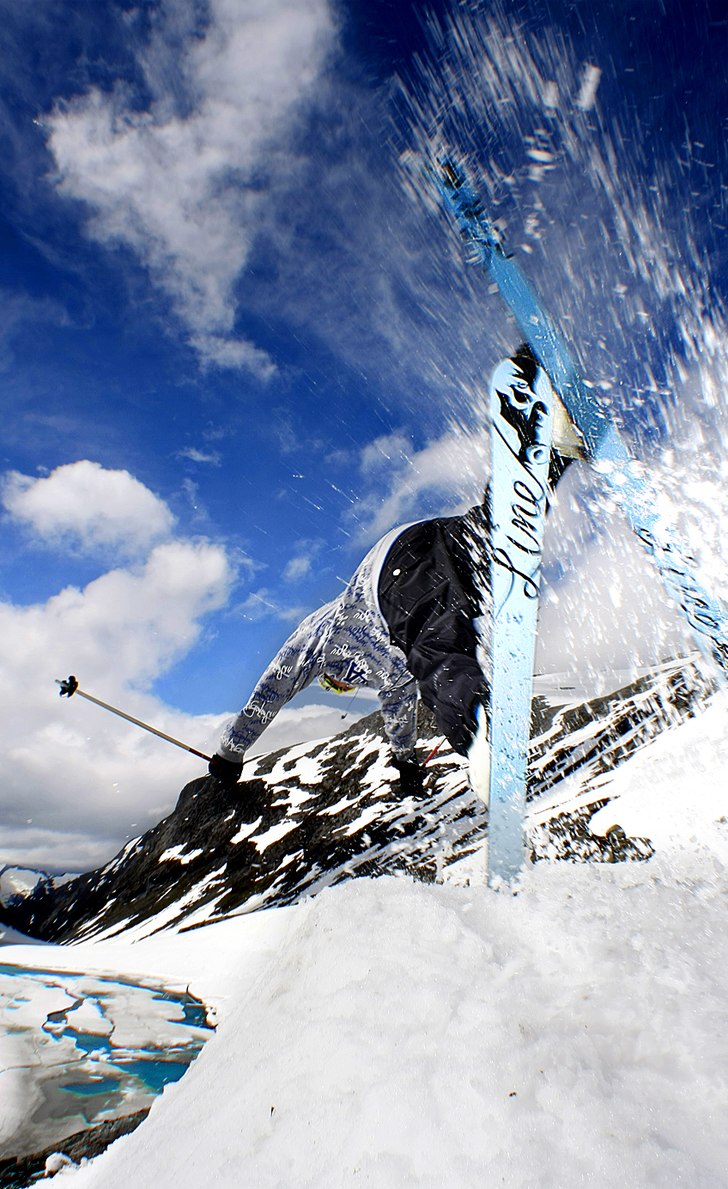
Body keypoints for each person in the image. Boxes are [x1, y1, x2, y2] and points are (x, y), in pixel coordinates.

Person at [208, 346, 584, 799]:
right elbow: (399, 722)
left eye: (334, 681)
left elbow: (275, 684)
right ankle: (544, 437)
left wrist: (231, 752)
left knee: (438, 647)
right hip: (431, 546)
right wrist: (405, 765)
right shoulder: (391, 681)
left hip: (392, 578)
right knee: (501, 530)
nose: (341, 683)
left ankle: (483, 736)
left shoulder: (324, 632)